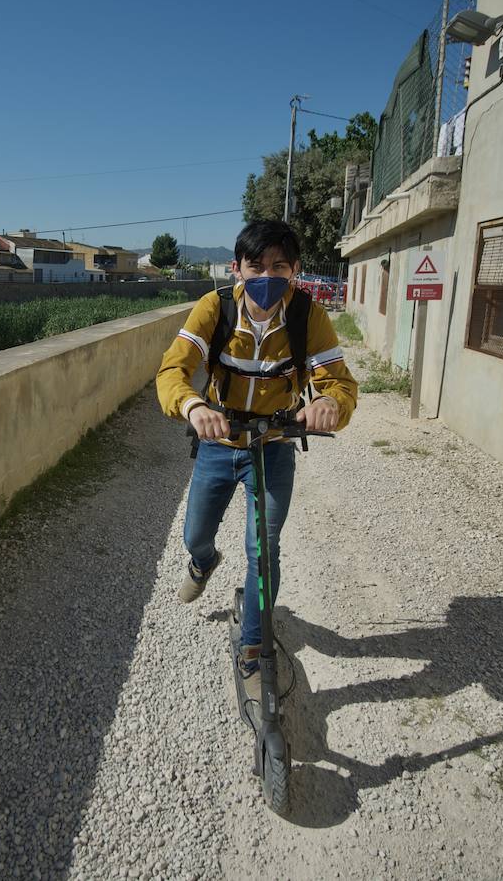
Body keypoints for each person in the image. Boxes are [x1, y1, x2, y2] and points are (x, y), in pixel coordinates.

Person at [155, 219, 357, 699]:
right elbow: (172, 371)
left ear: (296, 270)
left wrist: (330, 405)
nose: (267, 275)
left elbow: (340, 384)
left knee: (263, 549)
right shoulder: (216, 307)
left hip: (272, 446)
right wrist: (194, 406)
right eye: (256, 265)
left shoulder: (308, 314)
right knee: (195, 534)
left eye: (279, 266)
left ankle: (252, 651)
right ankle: (203, 563)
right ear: (237, 268)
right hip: (219, 443)